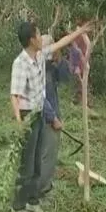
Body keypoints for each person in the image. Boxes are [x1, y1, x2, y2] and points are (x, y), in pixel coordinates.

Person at [10, 20, 92, 212]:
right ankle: (18, 205)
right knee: (27, 164)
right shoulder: (20, 63)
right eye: (38, 35)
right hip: (28, 115)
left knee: (38, 160)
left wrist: (80, 31)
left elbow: (61, 43)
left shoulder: (40, 55)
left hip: (38, 114)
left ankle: (32, 201)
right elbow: (15, 96)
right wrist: (20, 123)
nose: (42, 38)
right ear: (31, 39)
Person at [39, 34, 71, 200]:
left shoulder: (50, 66)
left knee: (46, 154)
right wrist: (53, 118)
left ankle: (44, 186)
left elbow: (65, 78)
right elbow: (39, 97)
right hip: (44, 118)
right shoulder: (38, 66)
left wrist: (59, 60)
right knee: (46, 155)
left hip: (50, 114)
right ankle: (42, 191)